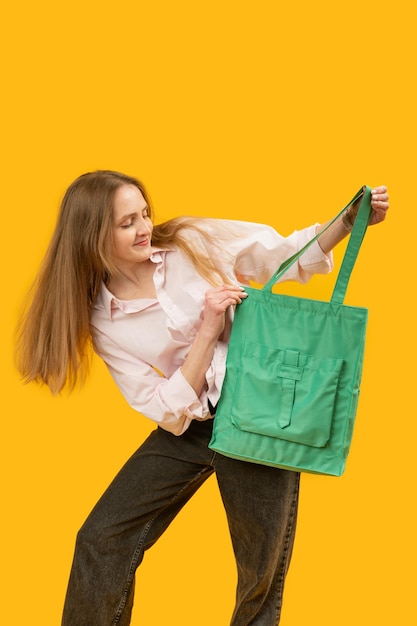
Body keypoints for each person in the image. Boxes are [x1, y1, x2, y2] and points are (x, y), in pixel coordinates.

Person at [16, 171, 389, 625]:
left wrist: (347, 222)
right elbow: (162, 407)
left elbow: (283, 256)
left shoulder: (191, 242)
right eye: (127, 222)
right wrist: (209, 328)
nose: (144, 227)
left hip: (256, 412)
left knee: (258, 575)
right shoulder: (103, 318)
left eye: (145, 213)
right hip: (191, 424)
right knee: (101, 537)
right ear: (93, 236)